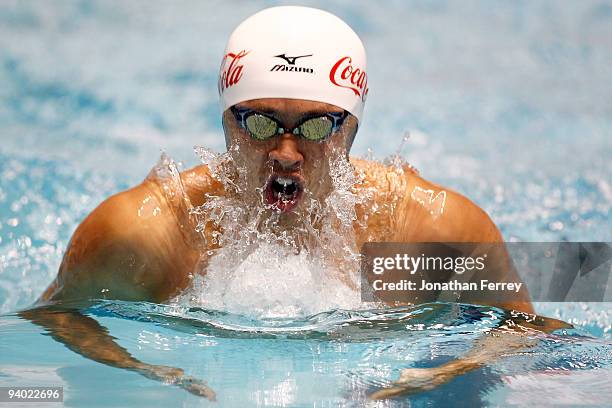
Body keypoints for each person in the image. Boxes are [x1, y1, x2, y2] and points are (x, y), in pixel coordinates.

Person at [22, 6, 565, 400]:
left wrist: (432, 377)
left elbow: (527, 332)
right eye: (259, 123)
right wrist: (144, 372)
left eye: (315, 126)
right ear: (225, 122)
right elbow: (48, 329)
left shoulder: (425, 229)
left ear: (351, 127)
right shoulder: (147, 234)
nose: (285, 153)